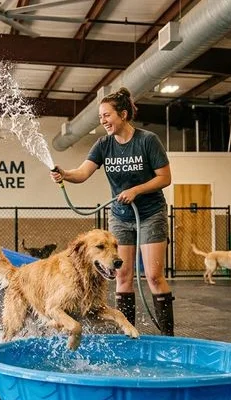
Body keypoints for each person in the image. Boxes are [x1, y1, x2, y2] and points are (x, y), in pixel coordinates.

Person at [50, 87, 174, 336]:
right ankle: (128, 334)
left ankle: (169, 337)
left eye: (107, 115)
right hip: (120, 216)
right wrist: (64, 173)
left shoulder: (147, 140)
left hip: (150, 213)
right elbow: (83, 173)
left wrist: (137, 190)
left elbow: (165, 178)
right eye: (101, 117)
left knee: (153, 276)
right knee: (123, 275)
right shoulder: (104, 145)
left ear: (123, 114)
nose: (103, 121)